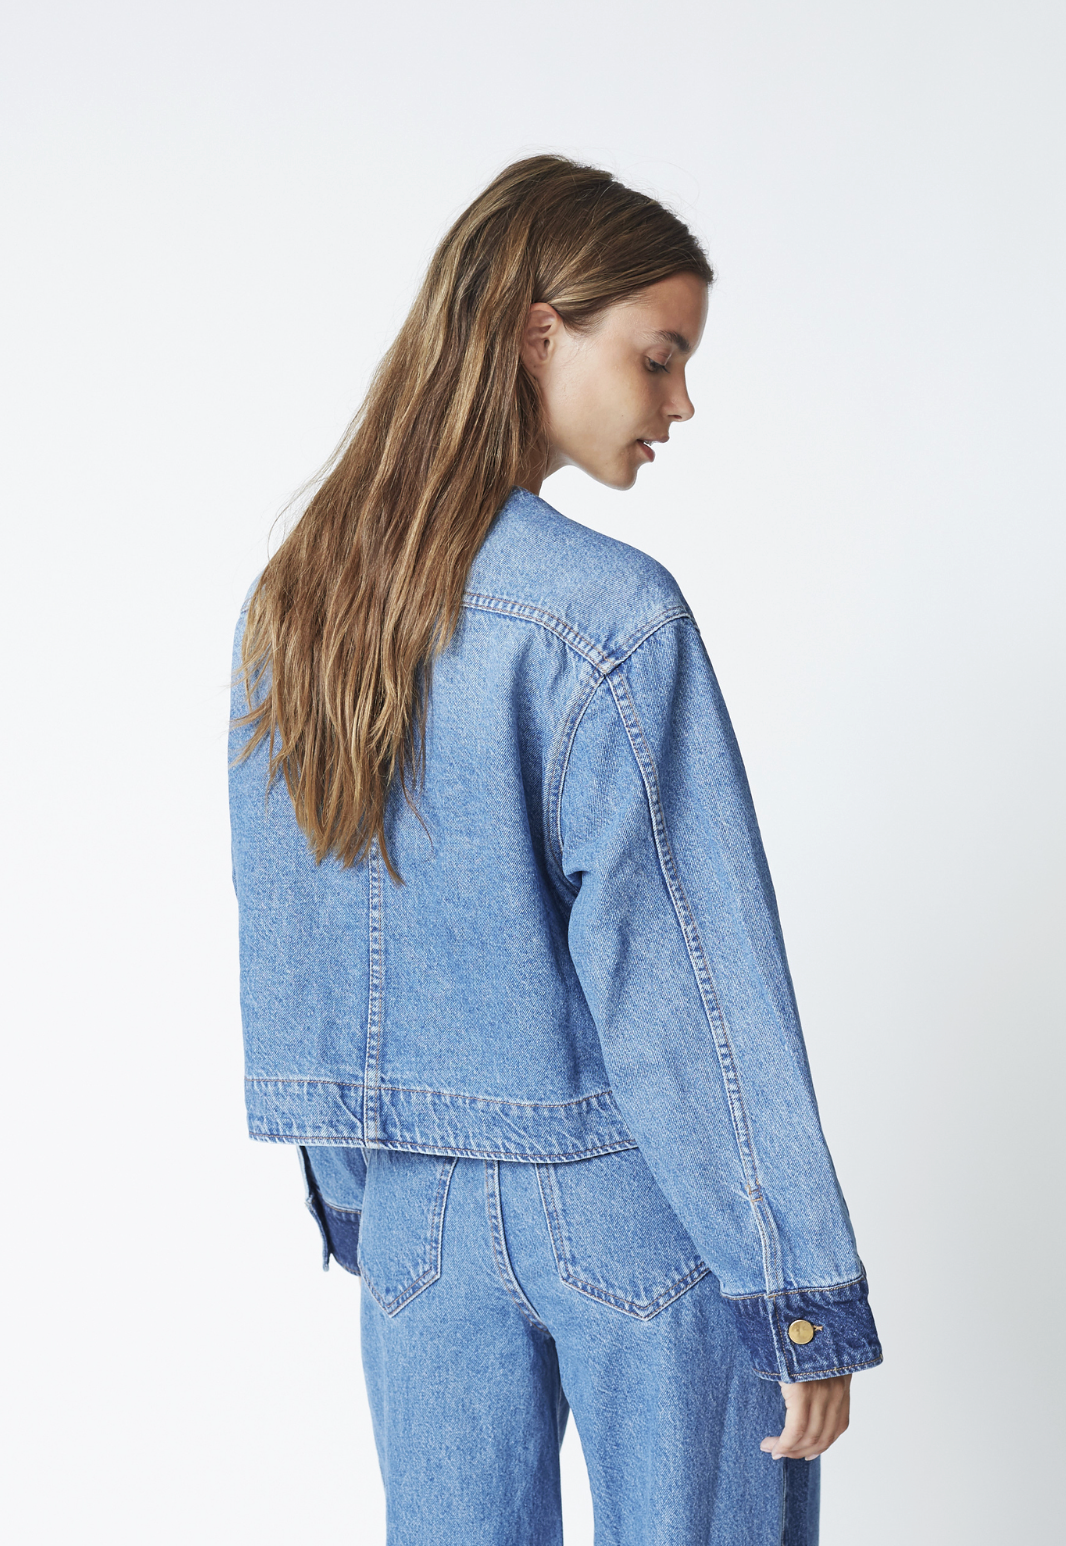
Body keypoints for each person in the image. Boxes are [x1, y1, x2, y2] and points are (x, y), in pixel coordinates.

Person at [229, 154, 882, 1546]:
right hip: (633, 1205)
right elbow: (688, 973)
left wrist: (362, 1200)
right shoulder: (606, 615)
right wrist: (794, 1285)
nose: (681, 402)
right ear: (540, 334)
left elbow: (293, 929)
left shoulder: (297, 602)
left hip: (415, 1223)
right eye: (659, 356)